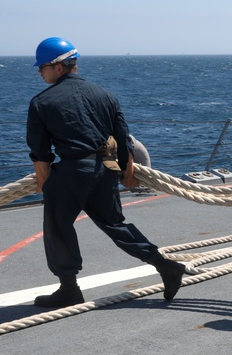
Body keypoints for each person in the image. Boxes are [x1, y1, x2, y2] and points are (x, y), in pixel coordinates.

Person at [26, 37, 186, 308]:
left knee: (57, 226)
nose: (39, 72)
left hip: (73, 170)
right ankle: (165, 265)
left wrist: (44, 186)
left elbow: (41, 154)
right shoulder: (104, 94)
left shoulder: (42, 103)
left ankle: (68, 289)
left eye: (41, 67)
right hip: (105, 170)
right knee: (115, 225)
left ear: (58, 68)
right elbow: (123, 138)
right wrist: (126, 172)